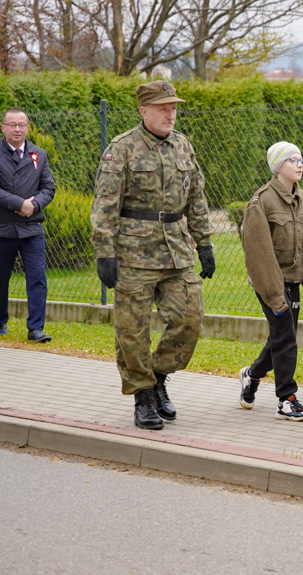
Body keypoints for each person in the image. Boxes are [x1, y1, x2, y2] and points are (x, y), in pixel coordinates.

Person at [91, 80, 215, 431]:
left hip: (177, 249)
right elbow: (105, 204)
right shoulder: (122, 148)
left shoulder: (182, 145)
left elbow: (198, 196)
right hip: (133, 253)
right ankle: (142, 395)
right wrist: (105, 251)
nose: (170, 114)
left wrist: (204, 242)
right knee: (132, 330)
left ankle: (158, 376)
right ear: (143, 111)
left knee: (190, 320)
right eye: (163, 108)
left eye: (173, 107)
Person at [238, 142, 303, 420]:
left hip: (293, 281)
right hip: (270, 283)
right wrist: (275, 295)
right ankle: (287, 400)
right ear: (278, 166)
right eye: (292, 160)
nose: (299, 163)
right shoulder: (262, 201)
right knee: (286, 338)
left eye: (300, 158)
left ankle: (252, 376)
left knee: (282, 337)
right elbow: (258, 255)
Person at [0, 109, 56, 342]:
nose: (17, 129)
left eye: (21, 125)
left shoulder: (39, 154)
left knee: (37, 277)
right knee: (1, 278)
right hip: (3, 228)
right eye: (12, 125)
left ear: (28, 128)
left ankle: (36, 329)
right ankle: (1, 322)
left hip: (32, 228)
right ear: (3, 127)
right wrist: (18, 203)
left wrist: (33, 205)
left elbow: (49, 188)